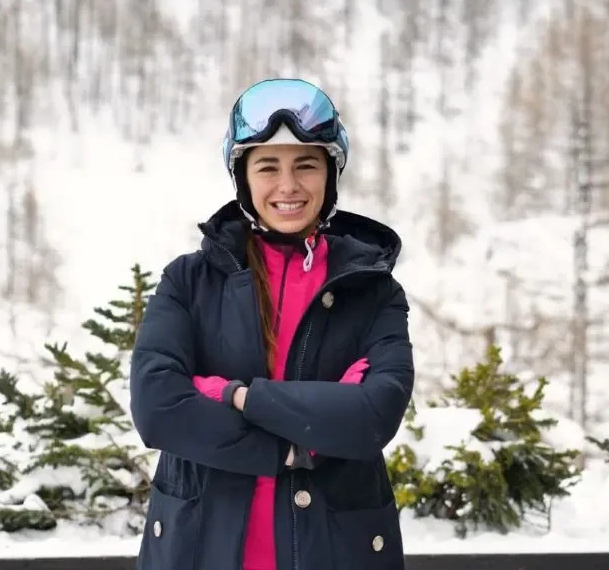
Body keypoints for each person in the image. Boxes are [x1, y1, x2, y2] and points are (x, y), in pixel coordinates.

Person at [130, 77, 414, 570]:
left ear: (330, 174)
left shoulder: (372, 291)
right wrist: (299, 441)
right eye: (268, 166)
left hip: (335, 552)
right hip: (202, 550)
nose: (288, 186)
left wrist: (238, 396)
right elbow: (157, 406)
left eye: (306, 164)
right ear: (243, 178)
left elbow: (373, 415)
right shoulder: (189, 282)